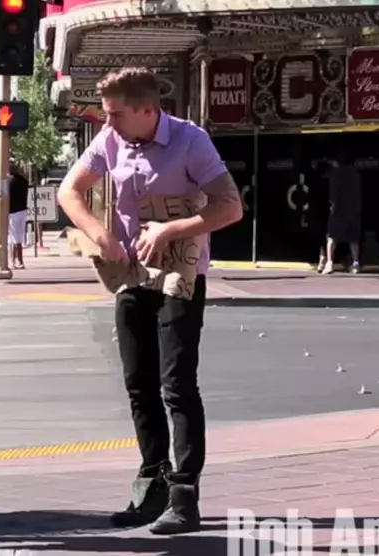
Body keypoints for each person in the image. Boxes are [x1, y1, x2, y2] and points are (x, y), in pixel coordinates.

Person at [56, 67, 242, 535]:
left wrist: (172, 229)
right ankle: (152, 481)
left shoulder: (190, 141)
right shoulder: (111, 141)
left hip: (180, 273)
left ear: (146, 110)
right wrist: (99, 236)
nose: (108, 123)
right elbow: (68, 191)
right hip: (132, 275)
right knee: (138, 383)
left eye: (116, 114)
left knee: (176, 384)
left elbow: (230, 206)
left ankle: (185, 497)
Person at [320, 151, 362, 274]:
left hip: (338, 209)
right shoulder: (356, 173)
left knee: (332, 237)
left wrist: (332, 205)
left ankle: (329, 262)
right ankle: (355, 263)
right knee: (353, 238)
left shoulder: (336, 174)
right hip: (353, 209)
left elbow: (333, 194)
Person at [8, 162, 30, 269]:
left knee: (13, 237)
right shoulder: (24, 181)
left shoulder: (7, 181)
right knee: (19, 236)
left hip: (12, 212)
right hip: (22, 210)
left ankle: (13, 260)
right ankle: (19, 260)